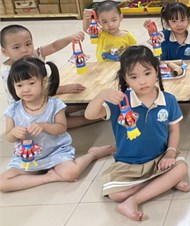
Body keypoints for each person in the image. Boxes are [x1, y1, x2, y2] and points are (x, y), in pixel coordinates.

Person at [84, 46, 190, 221]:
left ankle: (133, 200)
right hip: (128, 164)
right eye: (134, 77)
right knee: (116, 195)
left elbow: (174, 129)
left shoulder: (168, 99)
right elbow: (89, 115)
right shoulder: (120, 101)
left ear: (157, 71)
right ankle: (164, 182)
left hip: (159, 159)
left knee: (181, 167)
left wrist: (171, 153)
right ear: (125, 79)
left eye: (147, 73)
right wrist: (101, 95)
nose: (142, 81)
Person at [0, 57, 114, 192]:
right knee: (3, 183)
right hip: (28, 157)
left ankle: (93, 154)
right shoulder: (13, 110)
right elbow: (9, 137)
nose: (25, 89)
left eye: (31, 83)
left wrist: (44, 126)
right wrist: (14, 133)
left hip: (56, 152)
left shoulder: (55, 105)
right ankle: (49, 177)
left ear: (44, 82)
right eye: (19, 85)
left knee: (71, 173)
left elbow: (61, 128)